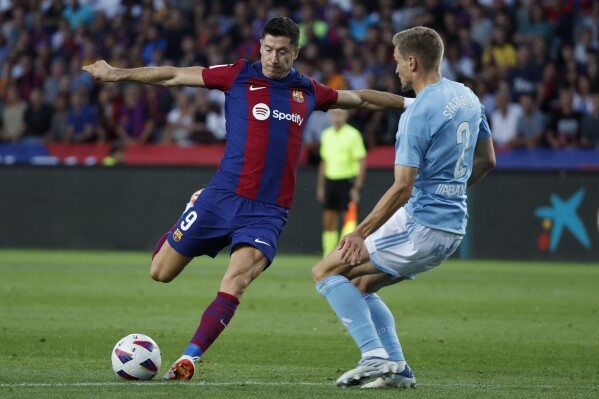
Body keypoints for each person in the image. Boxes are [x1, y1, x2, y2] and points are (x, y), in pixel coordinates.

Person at [82, 16, 413, 381]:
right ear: (260, 47)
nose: (273, 58)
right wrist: (116, 74)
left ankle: (190, 358)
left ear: (296, 52)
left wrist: (411, 104)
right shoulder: (238, 75)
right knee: (160, 273)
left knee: (236, 280)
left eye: (283, 52)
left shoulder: (309, 91)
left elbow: (362, 99)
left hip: (267, 213)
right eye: (268, 49)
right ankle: (191, 209)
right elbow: (173, 75)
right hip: (220, 197)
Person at [311, 26, 496, 389]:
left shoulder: (417, 116)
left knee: (324, 271)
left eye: (396, 60)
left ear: (412, 62)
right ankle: (397, 370)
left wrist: (359, 233)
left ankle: (373, 355)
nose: (394, 68)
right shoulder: (468, 97)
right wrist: (453, 189)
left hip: (422, 224)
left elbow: (402, 187)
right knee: (361, 284)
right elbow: (487, 159)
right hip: (452, 228)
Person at [317, 108, 366, 257]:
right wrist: (321, 186)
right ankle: (328, 255)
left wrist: (357, 187)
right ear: (330, 115)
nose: (337, 117)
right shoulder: (326, 134)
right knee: (329, 221)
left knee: (348, 221)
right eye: (335, 114)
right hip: (331, 181)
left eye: (340, 114)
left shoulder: (353, 134)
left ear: (346, 115)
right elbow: (324, 162)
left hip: (347, 181)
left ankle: (343, 255)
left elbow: (361, 161)